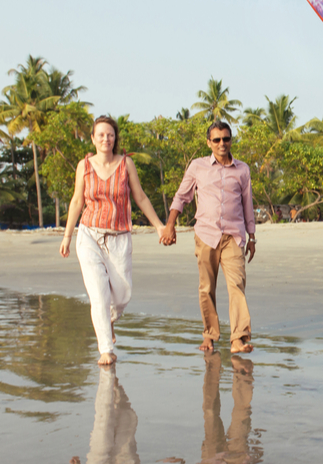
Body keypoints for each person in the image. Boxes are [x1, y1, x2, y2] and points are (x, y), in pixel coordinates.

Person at [60, 115, 166, 366]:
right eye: (101, 135)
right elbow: (77, 201)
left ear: (115, 138)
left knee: (121, 295)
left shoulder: (126, 164)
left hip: (119, 237)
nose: (106, 139)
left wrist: (159, 226)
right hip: (89, 236)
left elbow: (139, 197)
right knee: (98, 294)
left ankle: (108, 319)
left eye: (110, 134)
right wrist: (67, 235)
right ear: (93, 138)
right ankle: (105, 349)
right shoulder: (83, 166)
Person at [160, 121, 257, 354]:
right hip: (206, 235)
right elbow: (181, 196)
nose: (222, 144)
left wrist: (252, 237)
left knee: (236, 286)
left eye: (226, 139)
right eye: (217, 140)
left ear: (231, 140)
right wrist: (170, 225)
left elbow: (247, 204)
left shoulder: (242, 169)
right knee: (206, 288)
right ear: (209, 143)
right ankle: (209, 335)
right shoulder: (197, 166)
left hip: (233, 236)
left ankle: (238, 339)